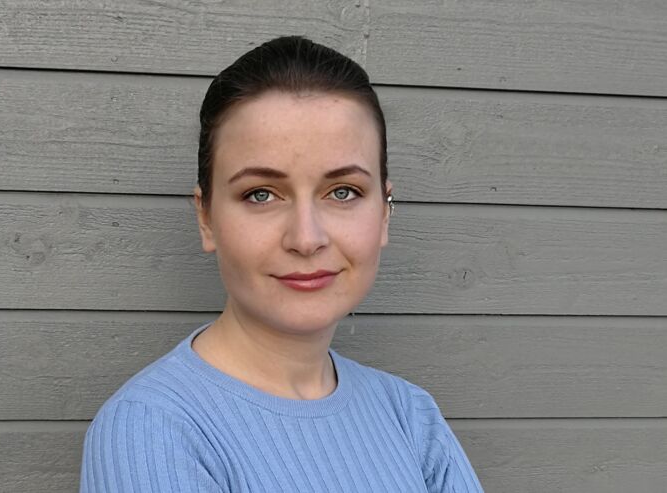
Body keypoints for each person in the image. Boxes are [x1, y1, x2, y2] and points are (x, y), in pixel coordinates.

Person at [80, 35, 484, 493]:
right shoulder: (153, 431)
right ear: (206, 218)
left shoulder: (410, 415)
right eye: (261, 194)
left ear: (385, 211)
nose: (306, 239)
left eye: (344, 192)